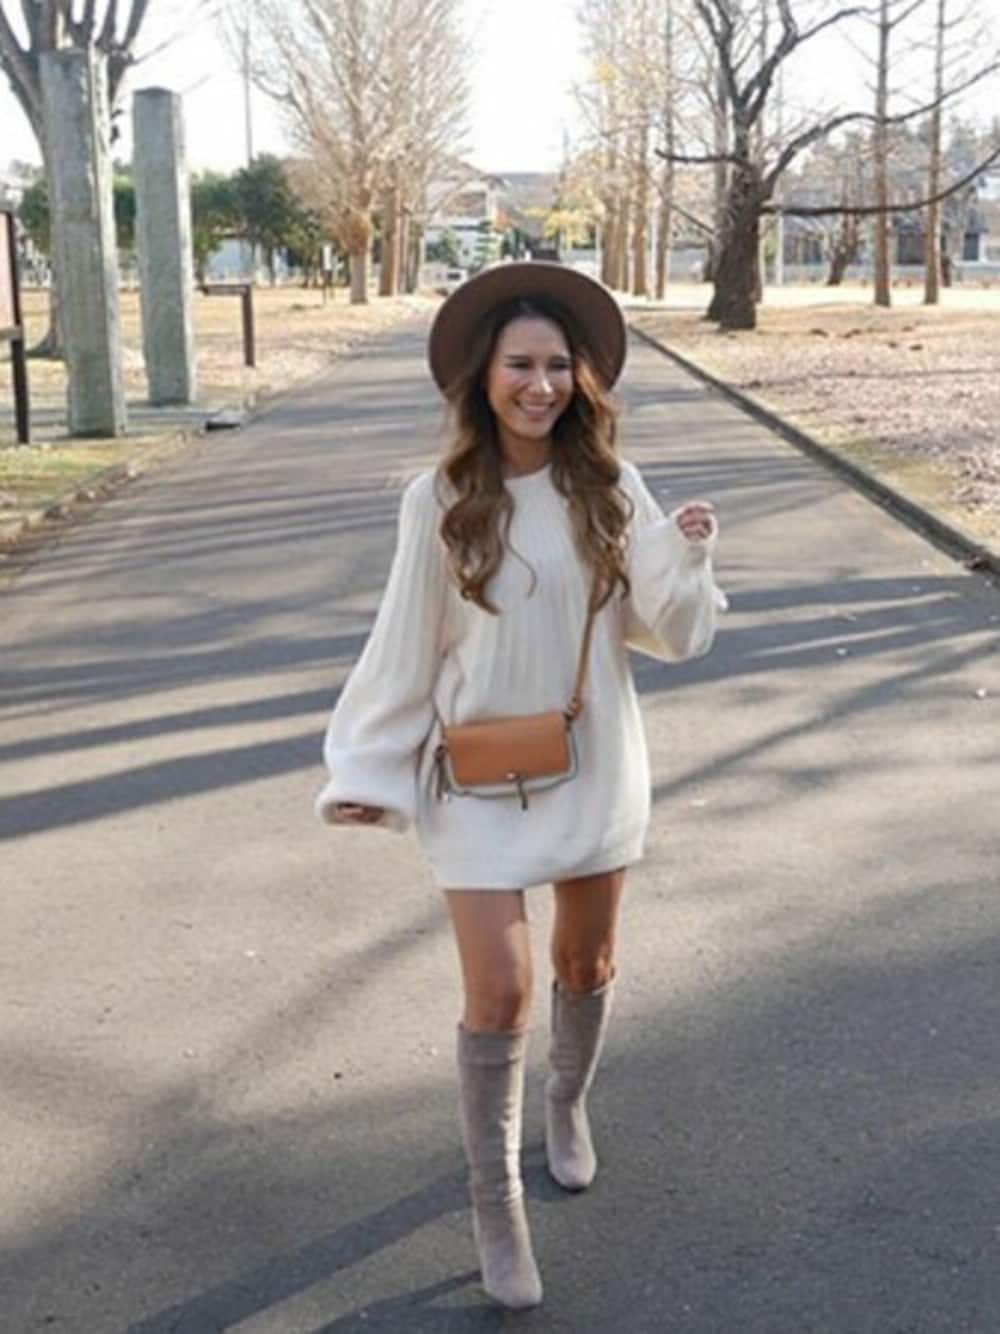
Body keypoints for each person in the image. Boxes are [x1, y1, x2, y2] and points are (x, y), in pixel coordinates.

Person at [316, 262, 724, 1310]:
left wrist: (684, 558)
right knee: (499, 991)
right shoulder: (439, 498)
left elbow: (669, 634)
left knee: (587, 961)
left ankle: (567, 1101)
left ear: (581, 378)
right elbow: (402, 645)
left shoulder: (610, 488)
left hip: (594, 766)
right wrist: (367, 770)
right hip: (474, 779)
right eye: (519, 366)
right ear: (483, 377)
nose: (539, 385)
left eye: (556, 366)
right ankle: (495, 1202)